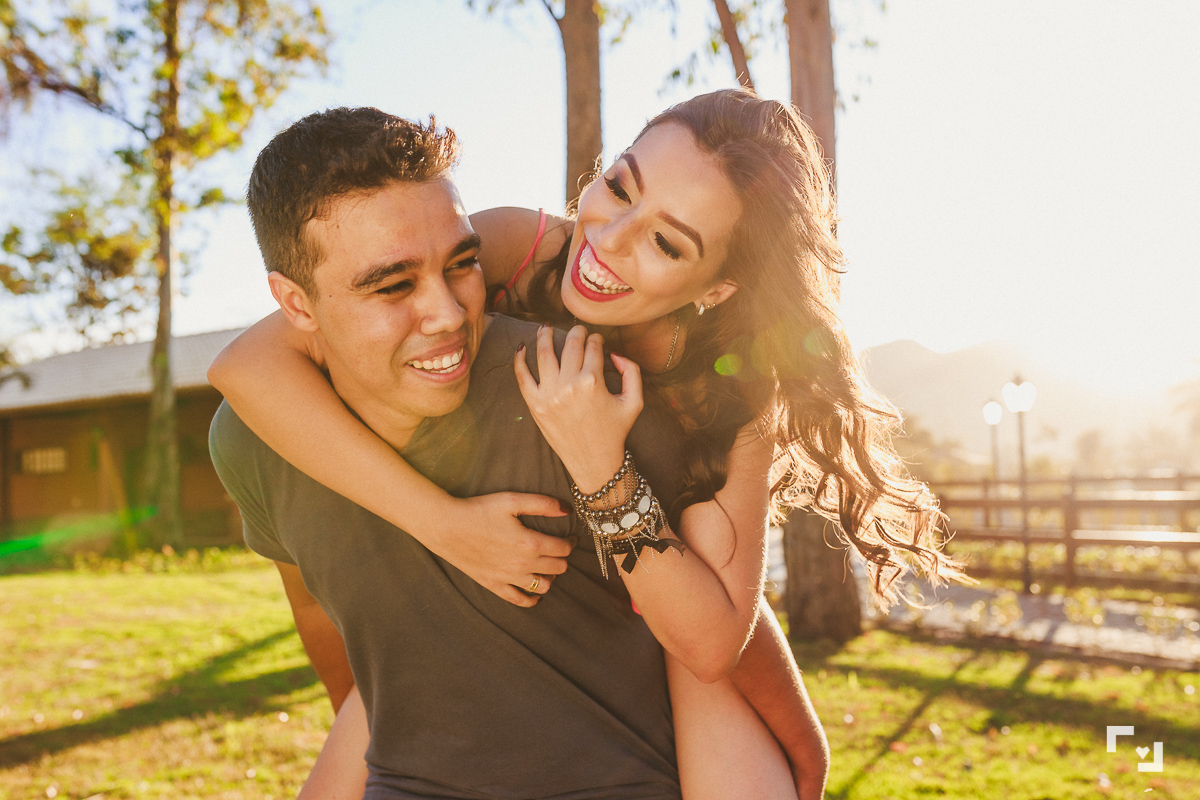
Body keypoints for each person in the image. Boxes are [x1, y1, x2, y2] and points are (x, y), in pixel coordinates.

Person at [212, 89, 959, 798]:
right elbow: (245, 366)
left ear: (718, 287)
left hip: (669, 602)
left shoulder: (729, 390)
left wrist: (601, 468)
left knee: (787, 756)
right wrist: (445, 526)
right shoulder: (515, 245)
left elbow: (713, 632)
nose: (608, 241)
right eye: (620, 186)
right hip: (580, 597)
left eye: (667, 243)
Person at [211, 106, 710, 799]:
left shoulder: (581, 395)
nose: (448, 313)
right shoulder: (252, 438)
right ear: (295, 305)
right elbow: (318, 607)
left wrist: (797, 755)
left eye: (462, 263)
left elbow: (712, 638)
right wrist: (443, 525)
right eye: (392, 286)